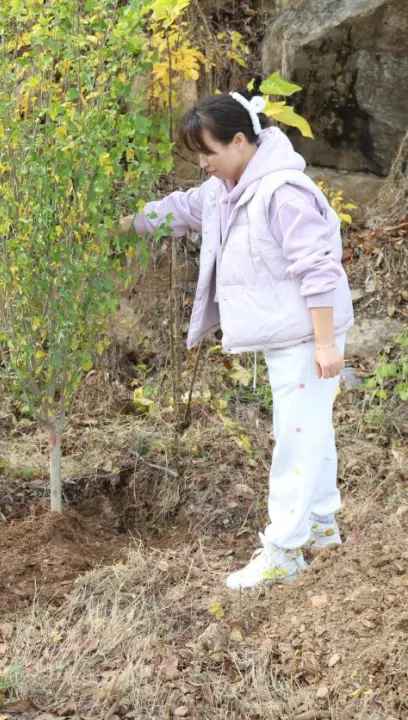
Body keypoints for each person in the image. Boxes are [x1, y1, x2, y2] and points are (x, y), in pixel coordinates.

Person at [122, 92, 355, 590]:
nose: (203, 165)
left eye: (208, 152)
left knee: (294, 439)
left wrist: (324, 344)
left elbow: (318, 267)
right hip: (288, 336)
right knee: (310, 432)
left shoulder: (282, 191)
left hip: (306, 337)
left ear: (241, 141)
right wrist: (121, 225)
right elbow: (180, 210)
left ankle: (284, 550)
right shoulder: (226, 190)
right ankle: (319, 530)